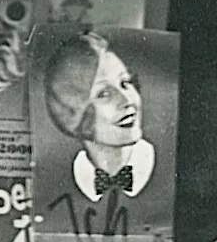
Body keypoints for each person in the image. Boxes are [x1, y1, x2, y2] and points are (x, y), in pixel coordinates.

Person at [43, 32, 155, 204]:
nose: (127, 100)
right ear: (74, 111)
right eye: (104, 94)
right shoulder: (60, 178)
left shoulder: (162, 163)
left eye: (125, 83)